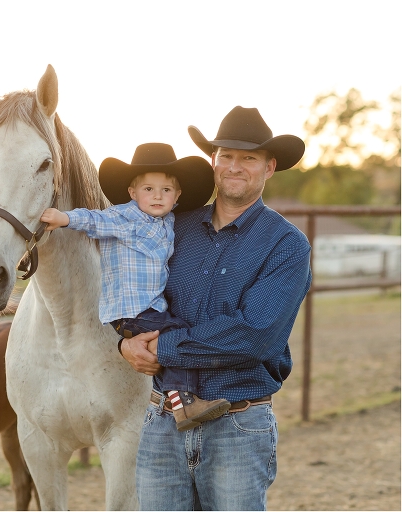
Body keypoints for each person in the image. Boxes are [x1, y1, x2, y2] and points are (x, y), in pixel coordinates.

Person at [122, 107, 312, 510]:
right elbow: (132, 287)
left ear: (269, 167)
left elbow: (254, 335)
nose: (234, 166)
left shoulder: (286, 245)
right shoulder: (173, 227)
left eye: (249, 158)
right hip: (163, 420)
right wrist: (124, 342)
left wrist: (161, 348)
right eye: (226, 155)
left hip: (237, 424)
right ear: (213, 161)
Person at [41, 142, 227, 430]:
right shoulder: (125, 216)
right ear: (133, 192)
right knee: (177, 336)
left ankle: (179, 399)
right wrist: (64, 218)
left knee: (174, 337)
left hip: (151, 309)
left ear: (177, 195)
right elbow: (94, 220)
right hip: (132, 310)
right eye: (148, 189)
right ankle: (183, 403)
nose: (157, 196)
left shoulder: (169, 221)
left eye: (166, 190)